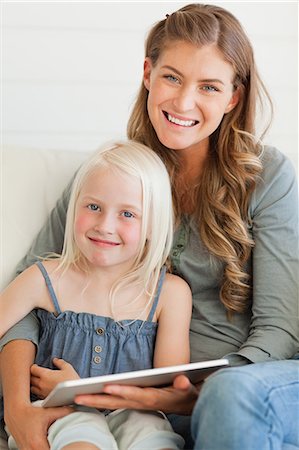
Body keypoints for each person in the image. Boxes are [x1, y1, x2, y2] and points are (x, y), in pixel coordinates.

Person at [0, 3, 298, 450]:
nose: (183, 102)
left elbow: (280, 329)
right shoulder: (111, 177)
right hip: (124, 402)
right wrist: (18, 407)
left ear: (233, 98)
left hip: (235, 383)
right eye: (172, 77)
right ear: (147, 74)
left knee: (230, 397)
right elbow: (31, 291)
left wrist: (194, 390)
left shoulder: (268, 175)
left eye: (209, 87)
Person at [0, 140, 192, 450]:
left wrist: (81, 387)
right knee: (81, 438)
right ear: (74, 207)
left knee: (154, 437)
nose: (105, 225)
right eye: (93, 207)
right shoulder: (44, 277)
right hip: (60, 411)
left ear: (152, 226)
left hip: (137, 413)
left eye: (127, 214)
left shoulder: (170, 294)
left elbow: (172, 390)